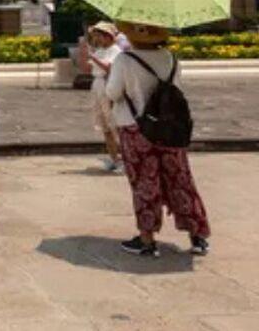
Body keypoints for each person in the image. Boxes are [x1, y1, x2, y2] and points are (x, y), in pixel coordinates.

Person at [103, 22, 211, 258]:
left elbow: (112, 93)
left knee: (144, 182)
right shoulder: (170, 58)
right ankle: (198, 236)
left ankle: (147, 239)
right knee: (180, 178)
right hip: (170, 127)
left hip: (136, 128)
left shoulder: (124, 60)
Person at [86, 21, 123, 172]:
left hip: (108, 85)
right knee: (105, 126)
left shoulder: (116, 51)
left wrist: (93, 58)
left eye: (100, 36)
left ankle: (123, 159)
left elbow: (109, 68)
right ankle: (113, 157)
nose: (98, 39)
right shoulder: (100, 50)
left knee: (114, 124)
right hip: (98, 85)